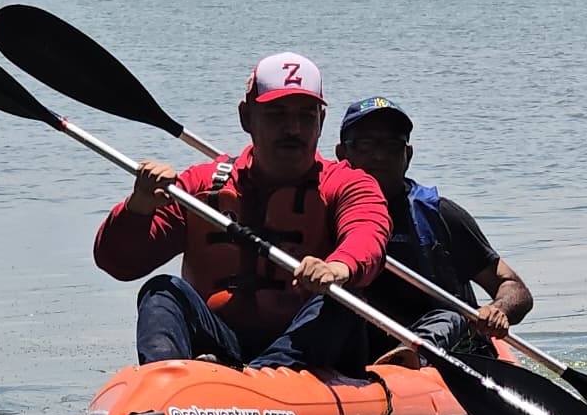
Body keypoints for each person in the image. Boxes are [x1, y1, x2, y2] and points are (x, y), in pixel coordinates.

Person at [93, 52, 389, 372]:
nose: (293, 128)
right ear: (246, 117)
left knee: (341, 298)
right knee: (162, 291)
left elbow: (368, 232)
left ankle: (256, 380)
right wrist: (138, 208)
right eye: (276, 114)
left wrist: (338, 267)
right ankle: (164, 384)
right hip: (222, 340)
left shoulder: (349, 183)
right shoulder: (201, 185)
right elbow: (118, 263)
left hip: (309, 345)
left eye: (306, 116)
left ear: (321, 120)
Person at [332, 95, 533, 362]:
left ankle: (411, 358)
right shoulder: (322, 210)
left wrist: (499, 310)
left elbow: (513, 287)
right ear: (341, 154)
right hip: (363, 335)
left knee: (450, 316)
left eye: (392, 145)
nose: (379, 156)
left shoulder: (441, 216)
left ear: (408, 155)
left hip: (442, 342)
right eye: (365, 144)